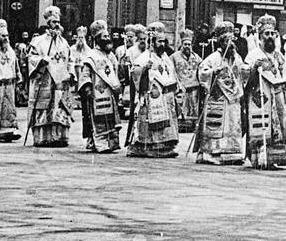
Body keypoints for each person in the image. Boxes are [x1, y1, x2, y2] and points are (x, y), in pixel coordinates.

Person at [193, 22, 248, 166]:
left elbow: (241, 74)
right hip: (218, 98)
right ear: (221, 42)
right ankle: (211, 153)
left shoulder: (237, 58)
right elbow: (202, 73)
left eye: (232, 40)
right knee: (218, 126)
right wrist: (213, 73)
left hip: (233, 99)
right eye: (226, 41)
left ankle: (232, 153)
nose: (230, 44)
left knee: (233, 124)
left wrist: (246, 71)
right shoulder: (213, 58)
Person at [243, 14, 286, 169]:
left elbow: (285, 73)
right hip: (261, 96)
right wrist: (252, 69)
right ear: (260, 36)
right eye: (266, 34)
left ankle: (277, 157)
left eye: (272, 33)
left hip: (277, 95)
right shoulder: (253, 55)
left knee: (280, 123)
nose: (270, 37)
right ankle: (260, 157)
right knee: (263, 124)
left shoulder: (279, 55)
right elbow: (244, 78)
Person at [127, 22, 180, 158]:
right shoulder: (145, 57)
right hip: (151, 96)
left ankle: (165, 145)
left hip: (166, 96)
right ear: (152, 42)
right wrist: (144, 68)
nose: (162, 44)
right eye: (159, 41)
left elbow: (172, 73)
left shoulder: (165, 58)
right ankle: (148, 145)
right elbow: (135, 72)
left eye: (164, 41)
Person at [26, 6, 73, 147]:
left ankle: (58, 137)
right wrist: (41, 61)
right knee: (43, 107)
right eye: (53, 22)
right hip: (44, 79)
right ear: (48, 23)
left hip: (60, 82)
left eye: (58, 21)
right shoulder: (38, 41)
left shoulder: (64, 43)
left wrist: (71, 73)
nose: (56, 25)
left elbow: (70, 59)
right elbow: (30, 58)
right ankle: (42, 137)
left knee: (59, 107)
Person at [76, 20, 122, 153]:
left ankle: (111, 143)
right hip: (97, 93)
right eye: (105, 37)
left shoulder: (111, 55)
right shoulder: (91, 56)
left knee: (110, 118)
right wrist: (87, 88)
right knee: (96, 118)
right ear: (97, 39)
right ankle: (99, 143)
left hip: (110, 93)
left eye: (108, 36)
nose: (108, 39)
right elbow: (85, 74)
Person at [172, 29, 204, 129]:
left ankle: (192, 125)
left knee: (194, 107)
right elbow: (171, 71)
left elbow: (202, 68)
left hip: (194, 86)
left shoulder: (196, 57)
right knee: (181, 107)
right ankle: (181, 126)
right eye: (185, 44)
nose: (187, 46)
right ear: (182, 44)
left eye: (189, 44)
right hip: (181, 86)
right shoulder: (174, 57)